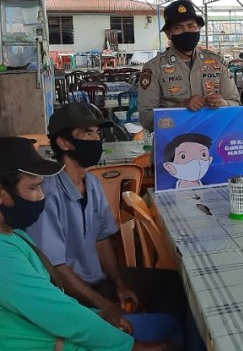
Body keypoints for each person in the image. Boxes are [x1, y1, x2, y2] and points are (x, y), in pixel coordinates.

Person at [27, 104, 187, 333]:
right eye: (87, 133)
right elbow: (57, 268)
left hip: (100, 280)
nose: (95, 140)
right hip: (68, 292)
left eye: (97, 133)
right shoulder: (47, 193)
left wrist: (119, 284)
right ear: (63, 143)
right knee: (147, 319)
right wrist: (106, 306)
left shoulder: (91, 183)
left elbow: (102, 239)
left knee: (174, 285)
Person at [0, 136, 137, 350]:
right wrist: (127, 346)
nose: (40, 197)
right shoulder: (4, 257)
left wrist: (98, 314)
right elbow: (54, 313)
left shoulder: (14, 234)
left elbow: (54, 300)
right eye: (33, 188)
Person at [137, 0, 240, 132]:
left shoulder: (217, 62)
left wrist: (222, 104)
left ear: (199, 28)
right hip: (171, 144)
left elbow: (236, 105)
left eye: (191, 26)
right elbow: (146, 120)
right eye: (178, 28)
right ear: (169, 34)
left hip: (213, 142)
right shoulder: (153, 68)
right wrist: (181, 106)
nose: (186, 31)